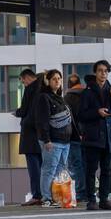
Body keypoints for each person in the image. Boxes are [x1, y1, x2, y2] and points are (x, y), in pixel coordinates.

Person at [76, 59, 111, 210]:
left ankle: (104, 199)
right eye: (100, 71)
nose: (103, 74)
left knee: (107, 170)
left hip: (109, 137)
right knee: (91, 170)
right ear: (95, 73)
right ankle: (91, 200)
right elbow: (81, 115)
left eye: (106, 71)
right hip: (93, 137)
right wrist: (97, 112)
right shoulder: (87, 92)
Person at [36, 68, 75, 207]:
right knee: (49, 169)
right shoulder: (44, 97)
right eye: (54, 79)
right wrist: (47, 140)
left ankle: (57, 196)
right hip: (53, 141)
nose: (57, 81)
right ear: (48, 81)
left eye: (59, 78)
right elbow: (42, 121)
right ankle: (46, 198)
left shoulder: (60, 98)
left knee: (60, 170)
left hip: (65, 141)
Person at [13, 68, 44, 206]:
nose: (23, 84)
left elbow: (24, 109)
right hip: (43, 132)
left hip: (30, 133)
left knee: (33, 166)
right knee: (44, 165)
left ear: (26, 77)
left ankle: (37, 195)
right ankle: (45, 194)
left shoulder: (31, 88)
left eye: (23, 81)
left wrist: (17, 113)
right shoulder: (44, 87)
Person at [64, 73, 87, 197]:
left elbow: (69, 119)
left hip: (73, 136)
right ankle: (88, 192)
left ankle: (81, 192)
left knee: (76, 165)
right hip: (89, 136)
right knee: (86, 164)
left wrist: (78, 133)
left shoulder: (67, 98)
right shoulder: (87, 94)